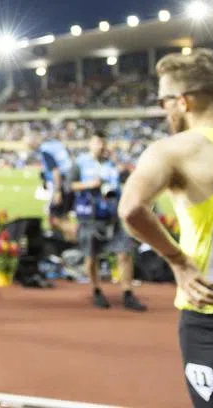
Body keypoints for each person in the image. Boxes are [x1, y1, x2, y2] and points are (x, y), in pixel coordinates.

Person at [119, 48, 213, 406]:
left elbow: (132, 208)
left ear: (182, 101)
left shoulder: (175, 149)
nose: (165, 110)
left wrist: (178, 261)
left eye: (164, 101)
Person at [70, 131, 147, 311]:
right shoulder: (80, 163)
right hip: (89, 216)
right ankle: (96, 289)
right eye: (97, 142)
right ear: (90, 144)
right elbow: (69, 185)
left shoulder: (113, 163)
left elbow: (129, 179)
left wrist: (118, 164)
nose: (101, 146)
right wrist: (90, 185)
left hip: (112, 215)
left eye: (104, 143)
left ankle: (127, 292)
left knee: (125, 252)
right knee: (91, 257)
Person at [27, 128, 76, 240]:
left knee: (55, 219)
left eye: (29, 144)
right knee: (63, 216)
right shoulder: (56, 145)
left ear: (34, 141)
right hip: (70, 181)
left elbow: (55, 171)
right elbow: (70, 160)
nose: (28, 147)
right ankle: (66, 244)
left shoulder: (45, 150)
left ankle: (79, 236)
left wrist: (58, 191)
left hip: (62, 184)